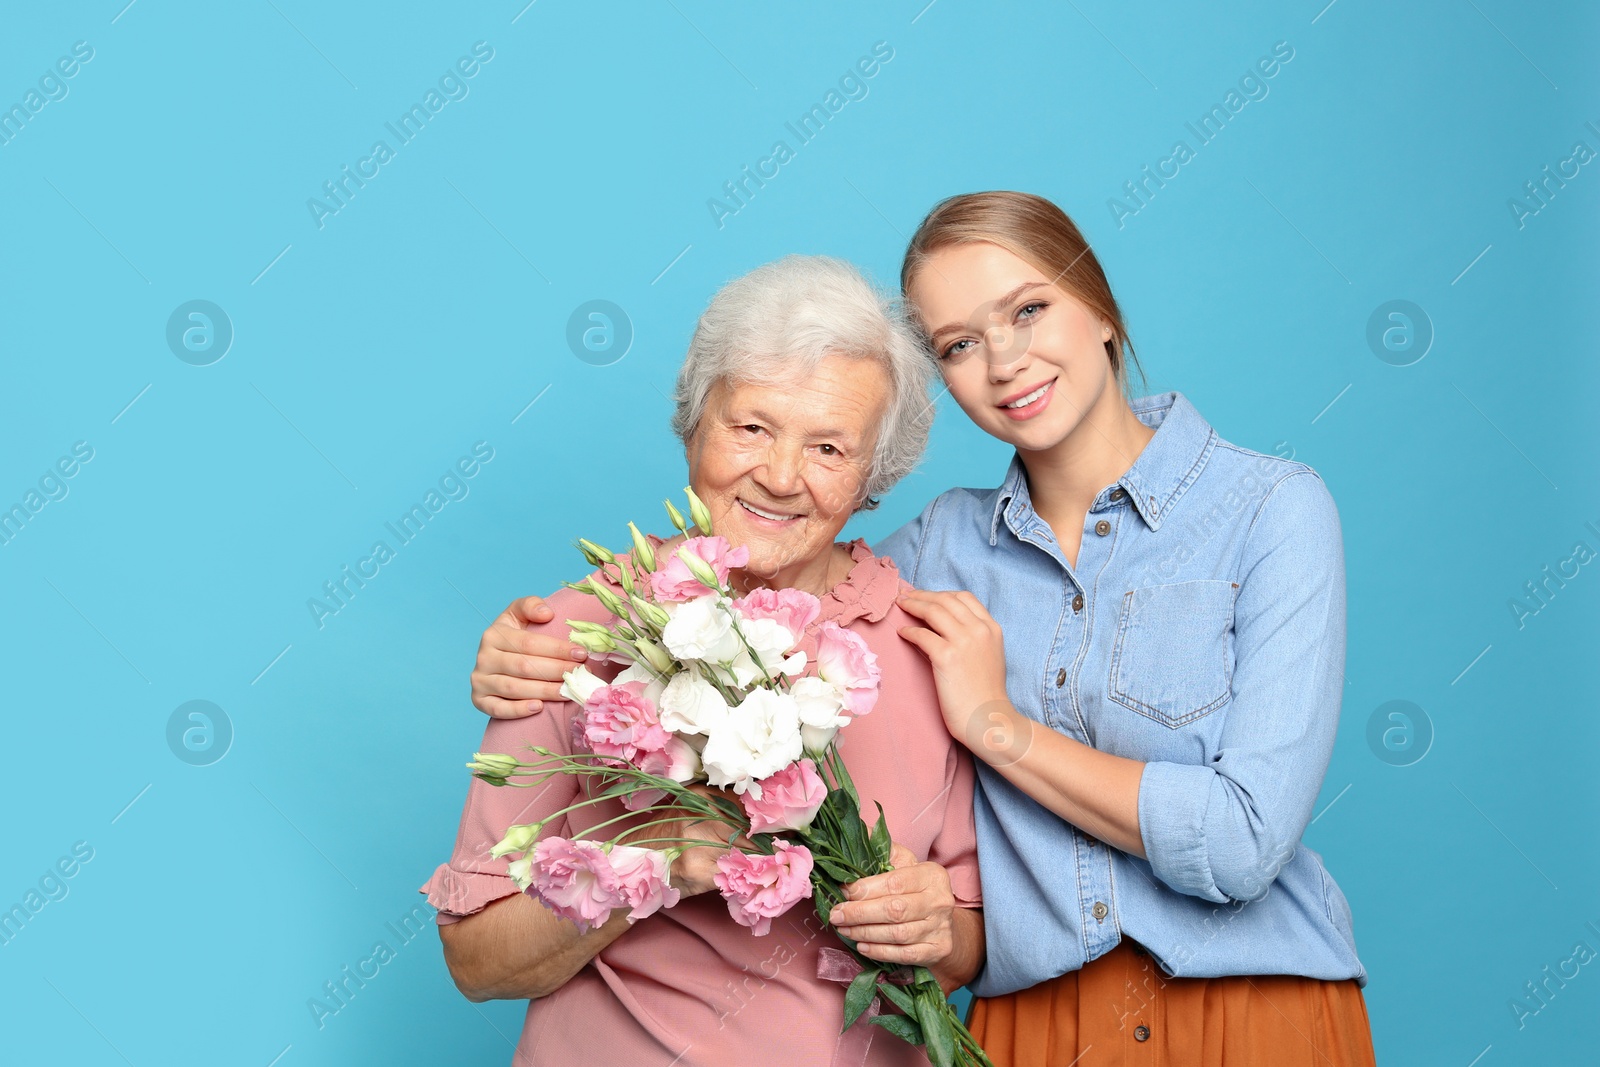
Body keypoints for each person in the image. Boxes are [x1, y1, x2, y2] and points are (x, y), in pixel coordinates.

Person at [469, 191, 1378, 1065]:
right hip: (1034, 1015)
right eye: (959, 342)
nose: (1006, 360)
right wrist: (547, 641)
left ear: (1101, 306)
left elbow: (1242, 842)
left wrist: (999, 729)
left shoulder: (1269, 510)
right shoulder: (938, 552)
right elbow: (777, 551)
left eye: (1029, 309)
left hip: (1249, 993)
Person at [422, 255, 984, 1066]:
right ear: (694, 423)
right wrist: (652, 861)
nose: (781, 476)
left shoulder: (929, 648)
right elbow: (475, 960)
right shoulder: (571, 637)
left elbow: (968, 943)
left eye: (828, 447)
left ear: (872, 476)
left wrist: (936, 923)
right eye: (750, 427)